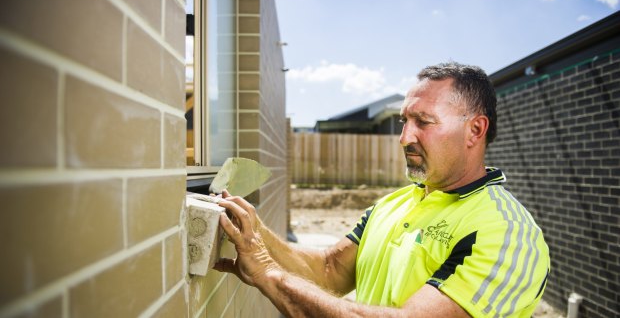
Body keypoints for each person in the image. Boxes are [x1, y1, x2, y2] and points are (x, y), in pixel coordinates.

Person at [215, 62, 550, 317]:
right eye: (405, 121)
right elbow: (330, 272)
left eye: (424, 122)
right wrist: (256, 233)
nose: (405, 138)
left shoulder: (505, 233)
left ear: (475, 130)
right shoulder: (394, 203)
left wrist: (270, 274)